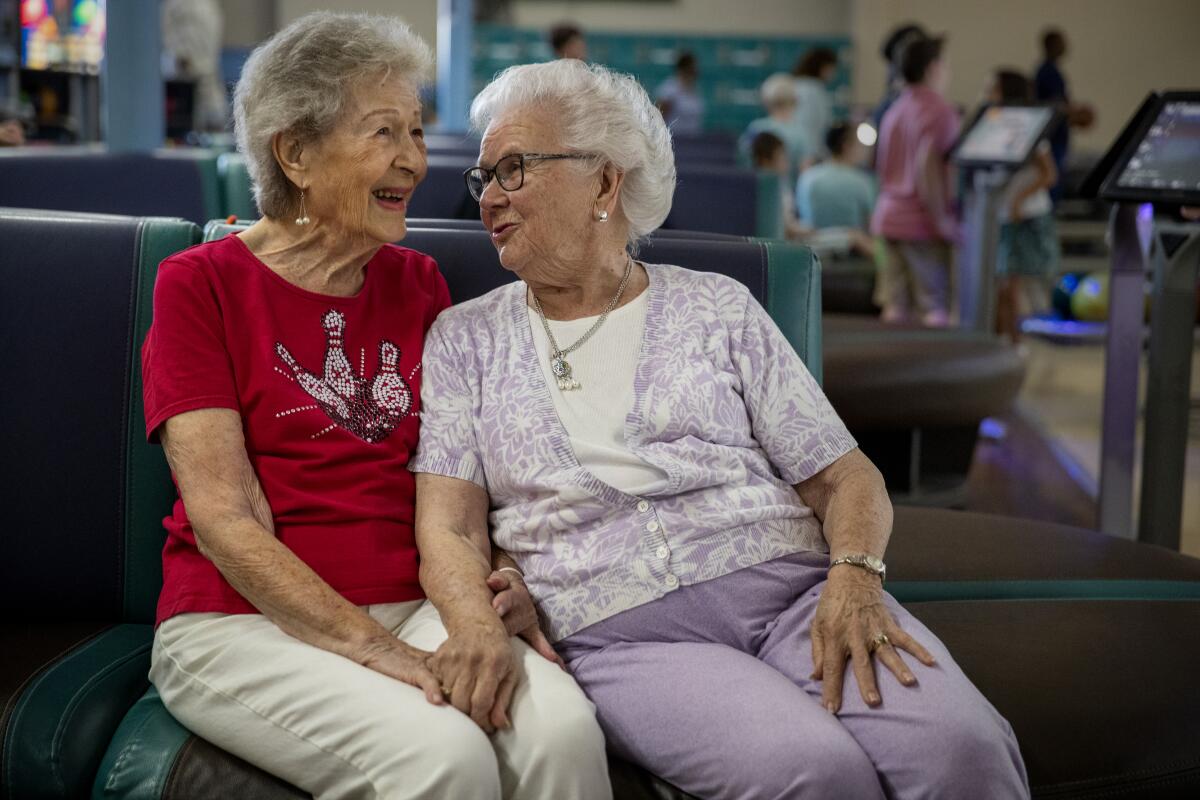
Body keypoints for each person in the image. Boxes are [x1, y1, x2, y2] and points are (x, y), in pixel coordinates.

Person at [412, 58, 1030, 800]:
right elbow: (446, 527)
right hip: (624, 627)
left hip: (795, 591)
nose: (490, 200)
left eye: (514, 169)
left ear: (606, 183)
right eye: (486, 179)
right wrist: (476, 617)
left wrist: (854, 577)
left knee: (964, 751)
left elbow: (842, 474)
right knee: (810, 773)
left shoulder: (718, 307)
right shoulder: (463, 339)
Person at [140, 13, 609, 800]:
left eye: (419, 133)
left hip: (418, 598)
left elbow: (456, 482)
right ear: (295, 153)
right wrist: (379, 652)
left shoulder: (416, 282)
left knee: (562, 734)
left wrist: (486, 600)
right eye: (384, 131)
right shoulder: (200, 284)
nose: (414, 160)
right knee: (444, 758)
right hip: (240, 620)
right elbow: (225, 518)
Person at [870, 35, 961, 326]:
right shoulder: (939, 111)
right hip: (921, 224)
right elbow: (927, 172)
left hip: (888, 218)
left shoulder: (894, 110)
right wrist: (942, 222)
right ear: (933, 67)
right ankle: (936, 372)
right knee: (933, 307)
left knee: (896, 306)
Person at [988, 69, 1059, 343]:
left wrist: (1018, 199)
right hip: (1005, 216)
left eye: (992, 88)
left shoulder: (1030, 128)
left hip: (1025, 217)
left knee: (1010, 286)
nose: (987, 94)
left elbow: (1048, 174)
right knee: (1002, 286)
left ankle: (1012, 344)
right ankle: (1000, 342)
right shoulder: (994, 125)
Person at [797, 122, 877, 256]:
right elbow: (871, 225)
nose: (863, 150)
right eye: (859, 144)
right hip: (854, 255)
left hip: (814, 252)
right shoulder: (861, 181)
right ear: (847, 146)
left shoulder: (807, 178)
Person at [1034, 29, 1094, 202]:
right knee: (1052, 181)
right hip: (1052, 140)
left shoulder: (1053, 72)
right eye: (1061, 43)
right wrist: (1076, 112)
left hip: (1059, 138)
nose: (1065, 47)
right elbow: (1053, 106)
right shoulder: (1046, 72)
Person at [738, 72, 811, 180]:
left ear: (766, 101)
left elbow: (743, 164)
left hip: (756, 190)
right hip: (786, 192)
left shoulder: (756, 127)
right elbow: (805, 172)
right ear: (795, 101)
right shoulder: (800, 133)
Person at [750, 131, 806, 241]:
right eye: (782, 157)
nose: (787, 162)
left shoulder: (782, 185)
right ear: (765, 160)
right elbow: (787, 228)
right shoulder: (766, 190)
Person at [791, 47, 839, 159]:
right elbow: (812, 126)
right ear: (823, 67)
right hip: (811, 154)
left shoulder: (797, 85)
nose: (834, 74)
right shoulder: (813, 90)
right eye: (832, 69)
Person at [655, 51, 704, 135]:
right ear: (684, 68)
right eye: (692, 68)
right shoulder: (669, 89)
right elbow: (658, 118)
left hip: (693, 140)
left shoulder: (695, 90)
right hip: (674, 139)